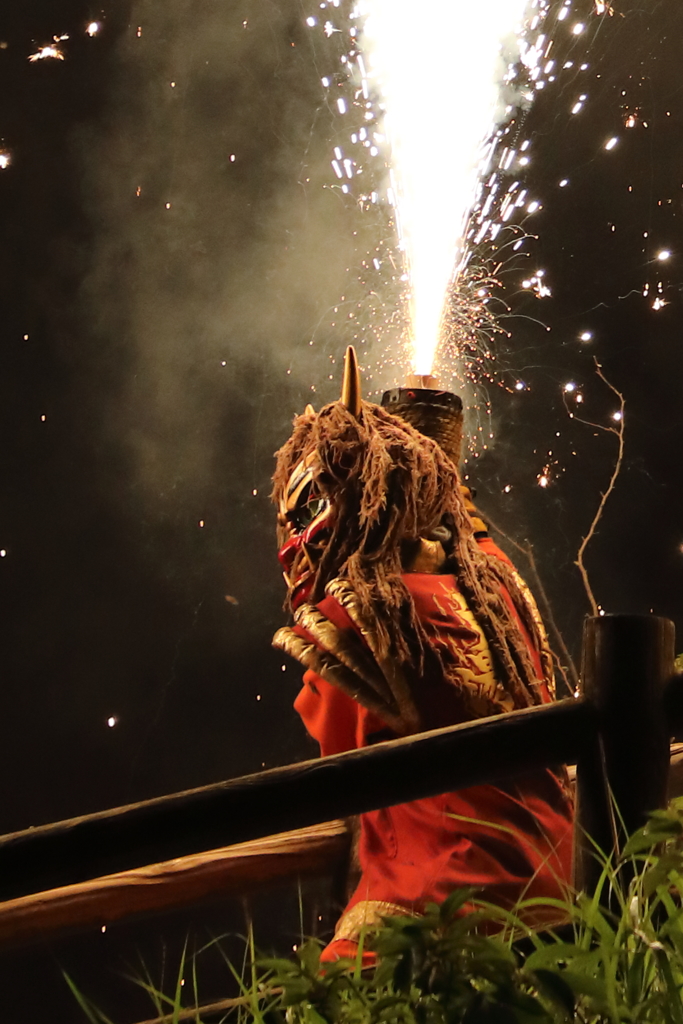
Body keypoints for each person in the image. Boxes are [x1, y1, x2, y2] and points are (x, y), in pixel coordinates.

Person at [272, 349, 573, 963]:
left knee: (330, 982)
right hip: (562, 885)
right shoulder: (498, 585)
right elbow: (458, 522)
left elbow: (333, 737)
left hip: (444, 903)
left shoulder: (356, 619)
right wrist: (423, 458)